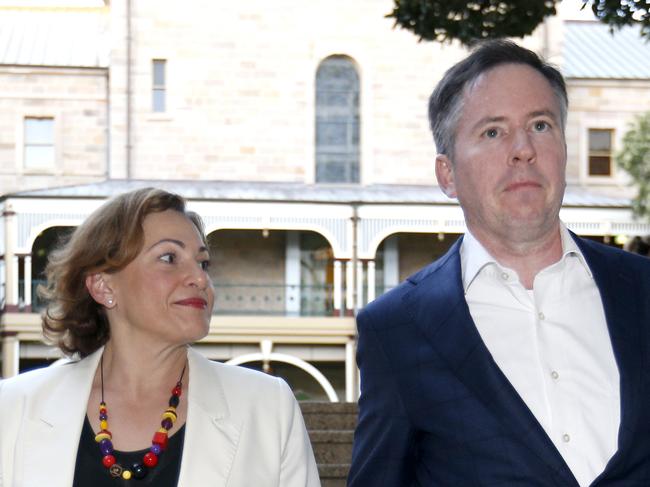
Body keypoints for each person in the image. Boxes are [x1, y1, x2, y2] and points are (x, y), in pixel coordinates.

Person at [348, 40, 650, 486]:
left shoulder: (641, 291)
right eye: (493, 132)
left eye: (541, 125)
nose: (523, 149)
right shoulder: (397, 330)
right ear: (447, 174)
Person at [0, 188, 320, 487]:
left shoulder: (267, 407)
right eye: (169, 258)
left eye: (203, 262)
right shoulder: (13, 408)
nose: (200, 278)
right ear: (103, 286)